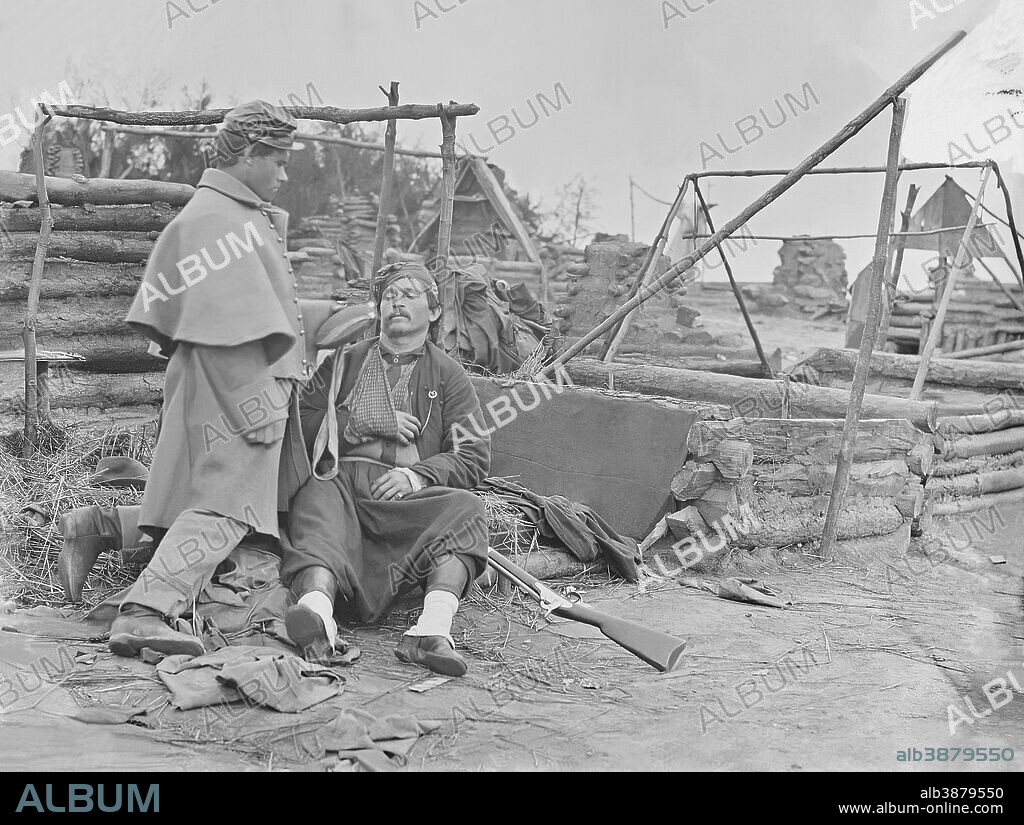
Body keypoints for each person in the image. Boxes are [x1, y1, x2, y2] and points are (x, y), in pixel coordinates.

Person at [106, 100, 342, 658]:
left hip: (211, 376)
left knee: (195, 492)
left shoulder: (224, 212)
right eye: (279, 161)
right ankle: (146, 611)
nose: (285, 174)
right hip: (236, 382)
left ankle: (101, 532)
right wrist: (258, 406)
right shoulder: (219, 220)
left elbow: (236, 309)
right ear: (252, 154)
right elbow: (231, 330)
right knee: (224, 503)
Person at [281, 262, 491, 677]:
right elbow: (300, 425)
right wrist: (358, 422)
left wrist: (417, 476)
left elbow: (474, 455)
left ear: (433, 313)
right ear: (378, 309)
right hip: (340, 486)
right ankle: (318, 613)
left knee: (466, 509)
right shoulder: (342, 363)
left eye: (410, 294)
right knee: (312, 498)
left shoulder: (449, 376)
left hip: (403, 502)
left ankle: (431, 630)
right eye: (390, 295)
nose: (397, 302)